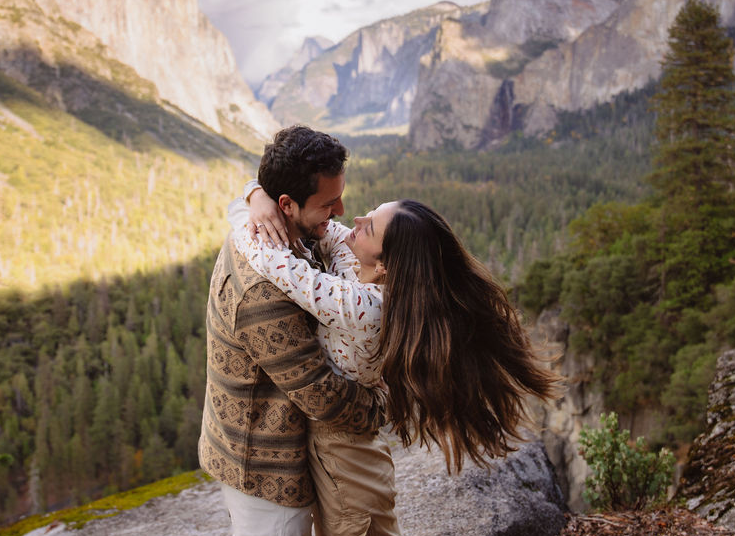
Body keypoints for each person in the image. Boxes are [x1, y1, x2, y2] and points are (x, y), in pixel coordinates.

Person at [235, 190, 561, 513]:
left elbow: (275, 263)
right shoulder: (367, 267)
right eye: (370, 212)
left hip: (342, 443)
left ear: (384, 265)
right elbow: (328, 230)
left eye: (370, 227)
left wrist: (244, 212)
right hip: (338, 425)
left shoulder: (366, 308)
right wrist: (261, 195)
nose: (357, 220)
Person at [199, 125, 387, 536]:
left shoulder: (285, 233)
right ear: (286, 204)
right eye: (327, 203)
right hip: (266, 468)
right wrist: (380, 405)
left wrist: (252, 191)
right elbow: (321, 395)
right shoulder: (262, 294)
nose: (339, 209)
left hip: (279, 446)